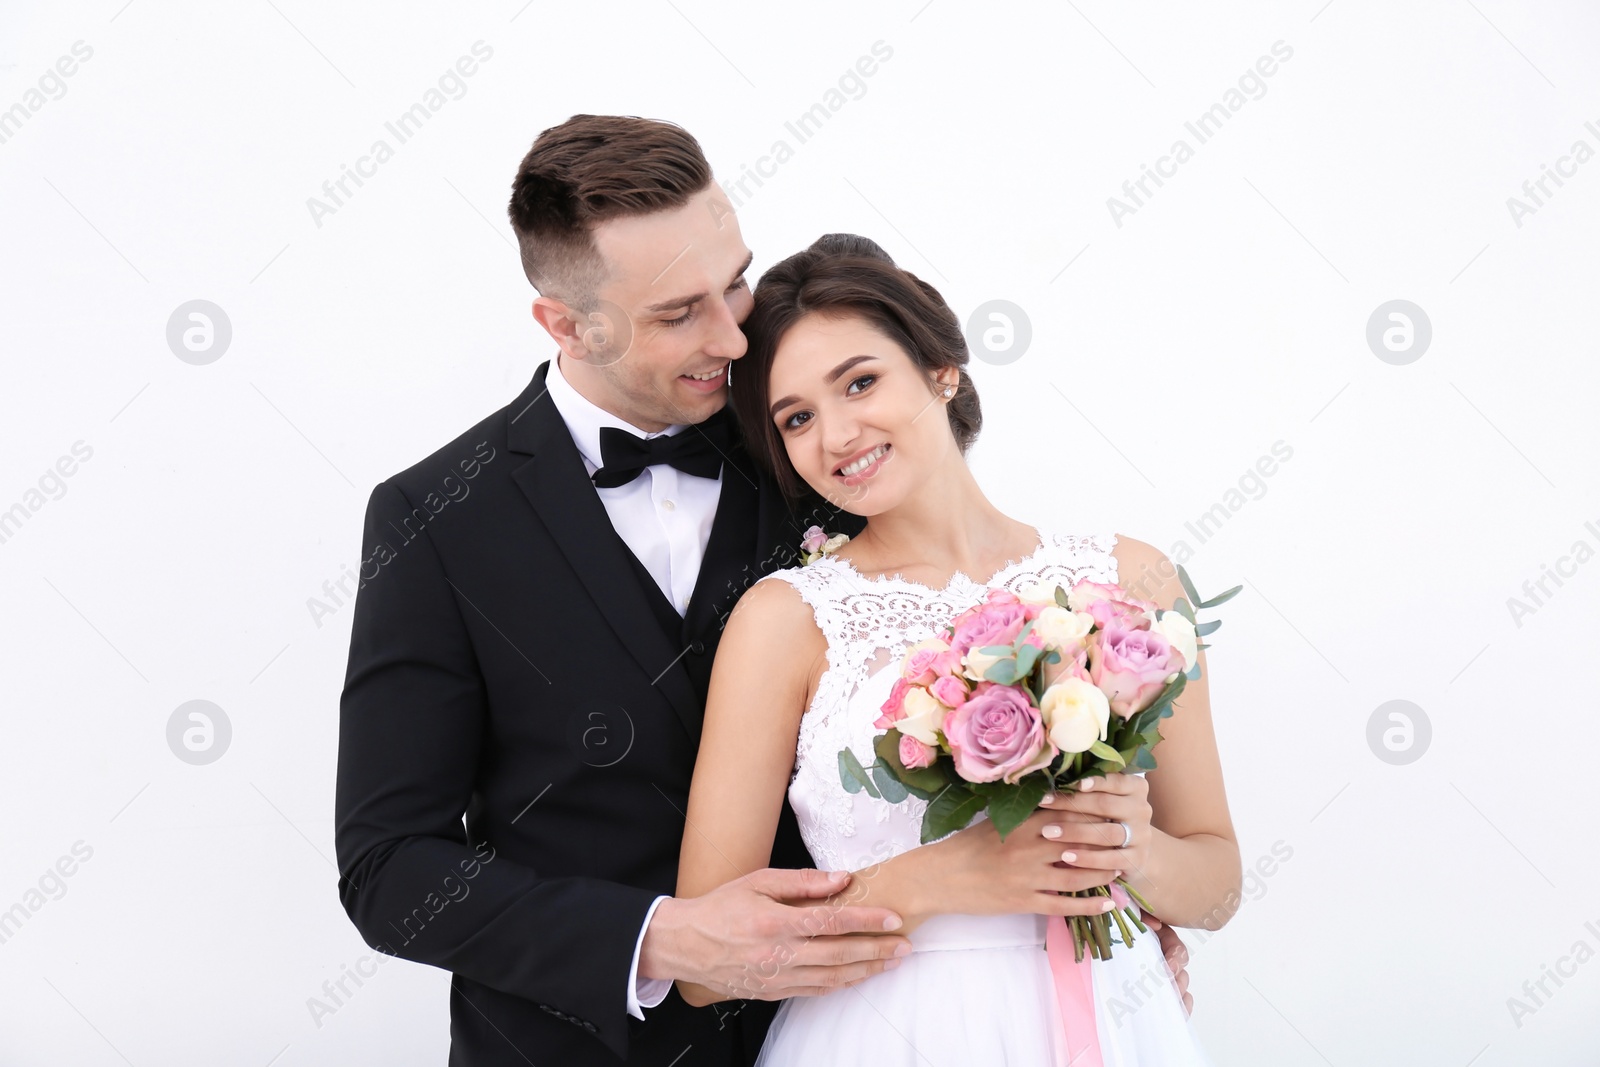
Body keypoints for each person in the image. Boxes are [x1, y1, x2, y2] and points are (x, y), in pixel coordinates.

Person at [335, 114, 1195, 1066]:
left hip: (868, 1022)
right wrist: (660, 938)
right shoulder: (438, 517)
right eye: (677, 314)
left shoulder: (819, 446)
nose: (734, 335)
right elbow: (390, 868)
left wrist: (1095, 907)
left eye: (733, 281)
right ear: (565, 323)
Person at [675, 233, 1241, 1065]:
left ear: (943, 367)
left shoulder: (1133, 577)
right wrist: (937, 879)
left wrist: (1134, 851)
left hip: (1115, 1021)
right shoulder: (785, 618)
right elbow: (707, 968)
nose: (835, 435)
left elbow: (1219, 884)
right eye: (796, 418)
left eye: (860, 381)